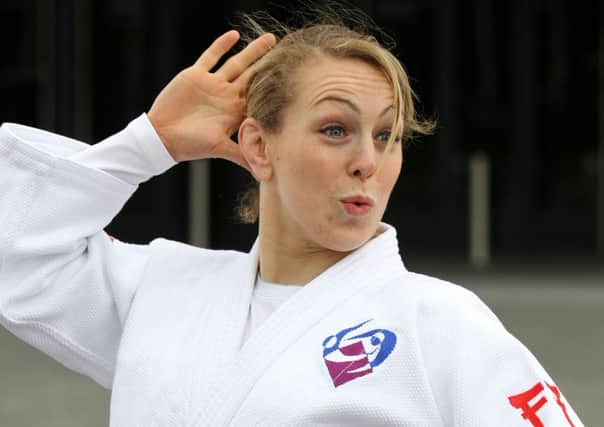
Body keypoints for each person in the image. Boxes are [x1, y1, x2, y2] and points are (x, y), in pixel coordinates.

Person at [0, 6, 583, 427]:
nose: (367, 162)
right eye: (336, 129)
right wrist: (148, 144)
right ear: (259, 147)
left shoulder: (441, 323)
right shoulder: (160, 291)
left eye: (387, 136)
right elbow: (18, 260)